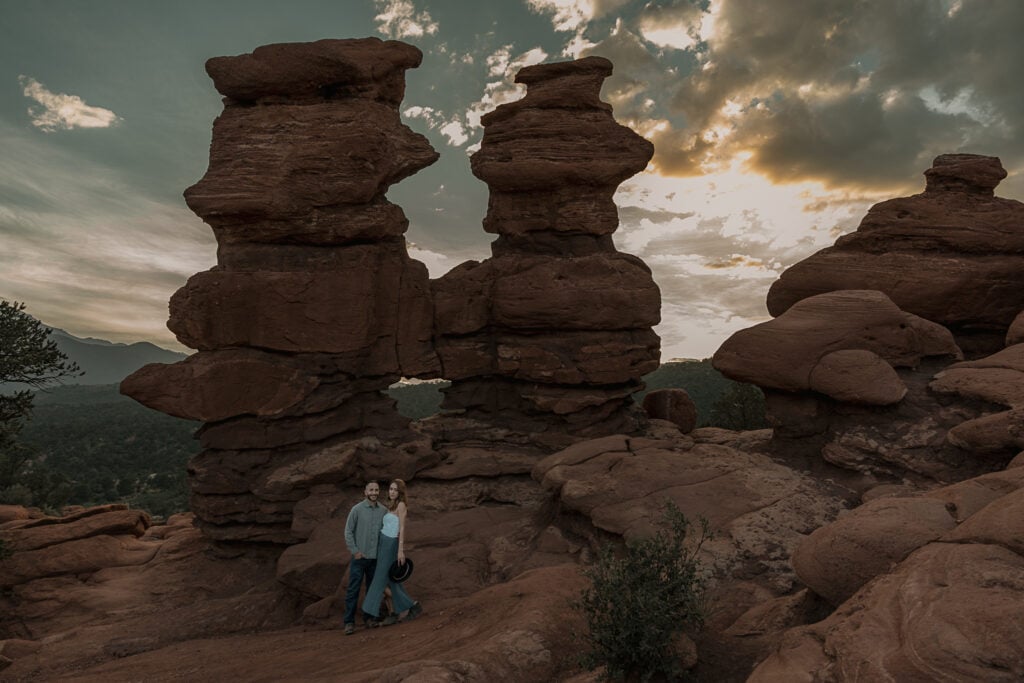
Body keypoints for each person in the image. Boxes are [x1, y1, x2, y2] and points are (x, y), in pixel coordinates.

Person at [360, 478, 422, 626]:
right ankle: (405, 609)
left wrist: (400, 551)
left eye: (395, 490)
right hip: (382, 543)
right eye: (390, 489)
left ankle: (371, 612)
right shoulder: (390, 505)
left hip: (391, 544)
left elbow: (401, 529)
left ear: (400, 492)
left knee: (379, 580)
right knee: (391, 582)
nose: (392, 492)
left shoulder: (401, 505)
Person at [342, 480, 387, 635]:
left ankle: (369, 619)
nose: (374, 492)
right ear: (365, 492)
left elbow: (385, 534)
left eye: (376, 490)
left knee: (372, 591)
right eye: (371, 490)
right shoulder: (357, 510)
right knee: (353, 590)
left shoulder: (383, 510)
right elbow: (348, 531)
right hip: (360, 558)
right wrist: (355, 551)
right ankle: (349, 622)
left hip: (375, 559)